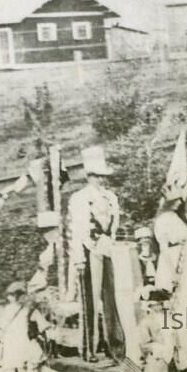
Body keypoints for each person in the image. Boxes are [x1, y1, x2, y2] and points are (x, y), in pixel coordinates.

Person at [66, 145, 121, 359]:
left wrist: (110, 243)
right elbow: (76, 231)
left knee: (112, 298)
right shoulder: (79, 198)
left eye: (103, 176)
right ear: (89, 176)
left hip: (108, 250)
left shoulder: (111, 197)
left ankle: (114, 345)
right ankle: (89, 348)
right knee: (89, 300)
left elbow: (114, 225)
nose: (101, 180)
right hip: (88, 251)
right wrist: (79, 259)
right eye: (96, 176)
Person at [153, 191, 187, 359]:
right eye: (175, 200)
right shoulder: (162, 220)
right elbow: (163, 247)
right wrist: (172, 272)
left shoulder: (177, 217)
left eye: (179, 200)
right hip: (172, 258)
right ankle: (177, 343)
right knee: (177, 300)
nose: (179, 203)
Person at [139, 289, 179, 372]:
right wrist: (158, 349)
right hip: (158, 360)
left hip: (171, 359)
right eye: (157, 304)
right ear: (150, 305)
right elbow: (144, 345)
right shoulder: (146, 322)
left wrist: (176, 350)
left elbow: (175, 337)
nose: (160, 306)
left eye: (161, 304)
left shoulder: (169, 319)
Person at [0, 281, 33, 372]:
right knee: (18, 367)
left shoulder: (12, 309)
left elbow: (3, 325)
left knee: (13, 367)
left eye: (11, 295)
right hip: (18, 340)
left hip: (13, 340)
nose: (9, 297)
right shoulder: (25, 309)